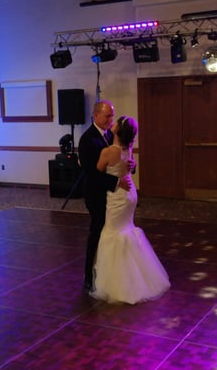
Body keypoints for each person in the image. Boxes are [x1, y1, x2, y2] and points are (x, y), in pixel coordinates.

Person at [91, 115, 170, 304]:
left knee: (112, 233)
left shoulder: (108, 151)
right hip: (130, 195)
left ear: (117, 130)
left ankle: (117, 284)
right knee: (126, 231)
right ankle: (137, 278)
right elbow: (128, 167)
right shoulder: (128, 148)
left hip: (118, 196)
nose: (113, 123)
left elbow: (97, 171)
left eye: (116, 122)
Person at [78, 100, 134, 292]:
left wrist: (130, 168)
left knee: (111, 233)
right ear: (95, 115)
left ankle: (107, 272)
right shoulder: (87, 139)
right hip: (96, 194)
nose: (111, 120)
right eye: (107, 115)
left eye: (112, 115)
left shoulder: (111, 134)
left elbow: (117, 162)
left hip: (113, 197)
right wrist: (116, 183)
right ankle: (88, 275)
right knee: (96, 232)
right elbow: (90, 173)